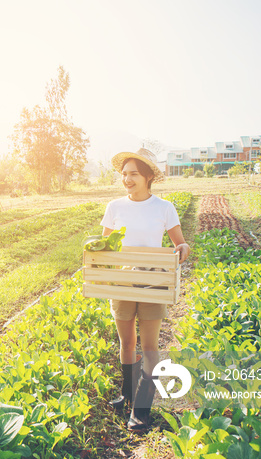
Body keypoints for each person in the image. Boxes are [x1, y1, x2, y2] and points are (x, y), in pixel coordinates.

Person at [100, 148, 190, 431]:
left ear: (149, 177)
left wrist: (182, 248)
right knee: (126, 343)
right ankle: (127, 395)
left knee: (149, 346)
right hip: (123, 284)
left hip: (154, 282)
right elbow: (106, 245)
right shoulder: (114, 207)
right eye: (124, 174)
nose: (127, 179)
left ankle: (142, 408)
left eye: (133, 174)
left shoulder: (164, 207)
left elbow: (180, 243)